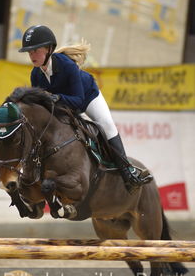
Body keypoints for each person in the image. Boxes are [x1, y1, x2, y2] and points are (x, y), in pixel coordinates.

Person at [19, 24, 153, 194]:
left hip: (87, 96)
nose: (32, 55)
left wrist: (57, 98)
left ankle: (128, 172)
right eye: (29, 52)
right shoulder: (36, 74)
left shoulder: (67, 66)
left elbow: (79, 101)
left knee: (106, 124)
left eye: (35, 50)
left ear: (48, 49)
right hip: (62, 105)